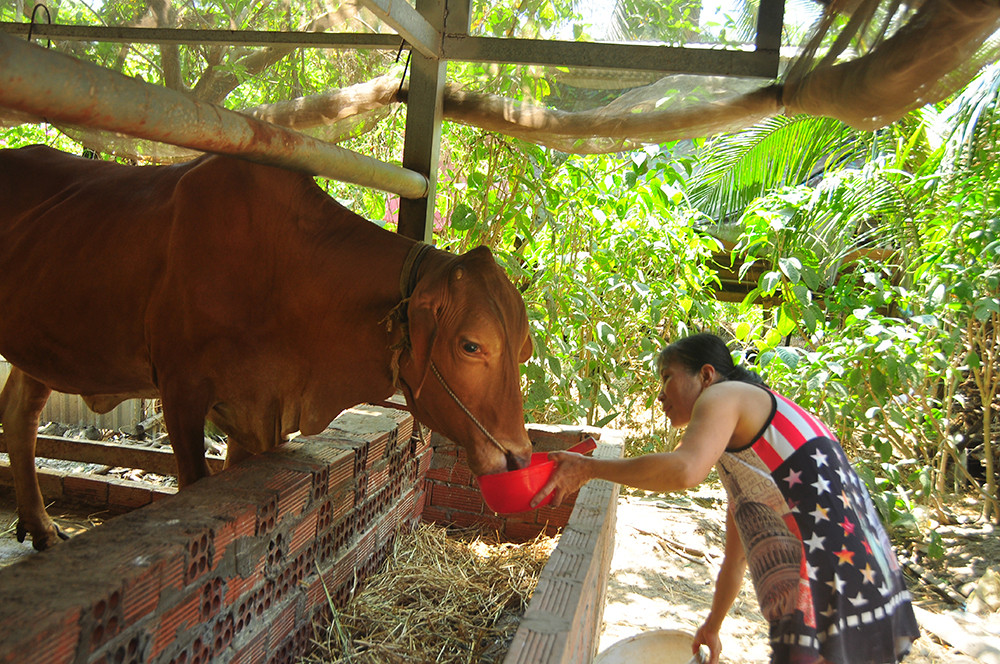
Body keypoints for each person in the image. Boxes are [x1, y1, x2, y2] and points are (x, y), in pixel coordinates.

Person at [530, 332, 920, 664]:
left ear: (706, 375)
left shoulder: (725, 395)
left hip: (836, 577)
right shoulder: (752, 458)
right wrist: (713, 626)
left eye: (666, 377)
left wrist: (590, 468)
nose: (660, 395)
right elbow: (736, 559)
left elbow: (684, 470)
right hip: (863, 578)